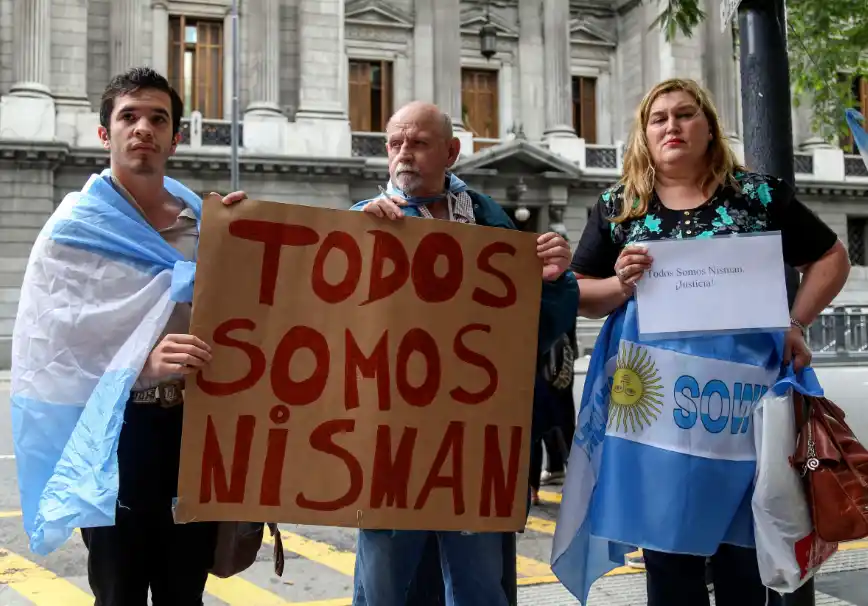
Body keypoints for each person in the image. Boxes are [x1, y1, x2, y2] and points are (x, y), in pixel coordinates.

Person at [560, 78, 850, 606]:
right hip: (654, 416)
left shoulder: (759, 195)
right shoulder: (619, 206)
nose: (672, 126)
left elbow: (832, 259)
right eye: (658, 118)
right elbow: (580, 292)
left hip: (743, 408)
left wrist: (795, 321)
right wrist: (620, 284)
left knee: (743, 555)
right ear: (644, 135)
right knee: (668, 561)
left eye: (685, 114)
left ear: (710, 127)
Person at [11, 67, 246, 605]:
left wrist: (248, 236)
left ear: (175, 136)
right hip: (118, 433)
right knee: (116, 591)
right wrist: (140, 366)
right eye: (129, 117)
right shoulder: (72, 231)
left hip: (195, 433)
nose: (144, 128)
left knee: (184, 590)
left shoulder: (207, 224)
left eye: (158, 118)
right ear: (105, 133)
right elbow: (51, 346)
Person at [349, 101, 579, 606]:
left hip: (472, 443)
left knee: (479, 587)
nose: (403, 154)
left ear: (451, 152)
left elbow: (531, 326)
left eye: (418, 143)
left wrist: (556, 277)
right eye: (395, 143)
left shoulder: (488, 221)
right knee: (383, 586)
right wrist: (356, 236)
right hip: (389, 444)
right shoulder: (363, 221)